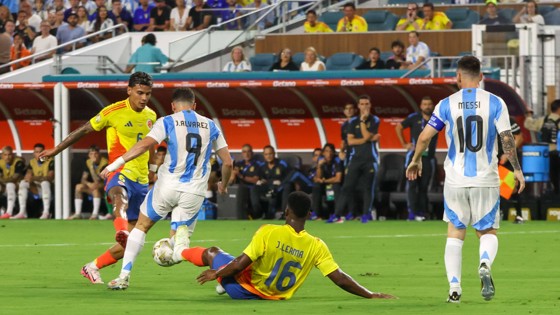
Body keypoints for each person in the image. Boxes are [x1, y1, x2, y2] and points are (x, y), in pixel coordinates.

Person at [406, 55, 525, 303]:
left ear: (458, 77)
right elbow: (507, 138)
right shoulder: (495, 102)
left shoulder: (446, 104)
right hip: (487, 178)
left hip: (455, 179)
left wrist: (416, 159)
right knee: (488, 230)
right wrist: (516, 169)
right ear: (481, 76)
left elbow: (425, 137)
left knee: (455, 231)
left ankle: (454, 289)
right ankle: (484, 263)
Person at [99, 87, 233, 290]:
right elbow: (228, 163)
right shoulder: (210, 125)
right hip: (194, 192)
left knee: (141, 226)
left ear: (173, 106)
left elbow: (144, 145)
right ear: (194, 106)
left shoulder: (167, 121)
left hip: (167, 187)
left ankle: (123, 276)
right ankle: (222, 271)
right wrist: (224, 183)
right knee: (180, 245)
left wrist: (114, 164)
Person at [39, 72, 157, 284]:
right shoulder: (113, 111)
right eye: (140, 93)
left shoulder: (151, 115)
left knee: (134, 243)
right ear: (129, 90)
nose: (144, 98)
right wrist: (56, 150)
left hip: (141, 181)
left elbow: (152, 145)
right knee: (119, 196)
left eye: (148, 94)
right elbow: (84, 130)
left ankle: (92, 267)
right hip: (118, 171)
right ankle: (120, 230)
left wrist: (154, 169)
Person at [179, 191, 396, 300]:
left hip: (243, 290)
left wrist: (217, 272)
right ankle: (221, 281)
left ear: (286, 211)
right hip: (276, 296)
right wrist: (370, 294)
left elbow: (238, 264)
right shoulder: (316, 245)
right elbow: (339, 278)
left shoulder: (269, 231)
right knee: (248, 261)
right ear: (309, 214)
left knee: (213, 252)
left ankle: (177, 252)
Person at [329, 95, 380, 224]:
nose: (364, 106)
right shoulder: (352, 122)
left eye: (366, 104)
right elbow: (350, 141)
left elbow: (367, 134)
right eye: (362, 104)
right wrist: (367, 139)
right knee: (347, 187)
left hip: (370, 159)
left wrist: (363, 122)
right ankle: (337, 214)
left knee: (368, 188)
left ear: (370, 105)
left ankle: (365, 215)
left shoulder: (374, 119)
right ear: (358, 106)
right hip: (355, 159)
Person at [395, 96, 438, 221]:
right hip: (414, 157)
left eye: (429, 104)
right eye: (424, 104)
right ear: (420, 106)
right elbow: (399, 127)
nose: (427, 106)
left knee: (424, 187)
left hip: (429, 158)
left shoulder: (436, 119)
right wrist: (404, 144)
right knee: (412, 185)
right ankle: (412, 213)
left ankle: (423, 212)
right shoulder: (414, 118)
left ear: (433, 106)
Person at [524, 99, 560, 194]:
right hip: (556, 153)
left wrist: (529, 116)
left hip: (543, 153)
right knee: (556, 176)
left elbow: (528, 124)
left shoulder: (543, 120)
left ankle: (545, 193)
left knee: (545, 175)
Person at [11, 143, 54, 219]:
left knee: (45, 183)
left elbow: (49, 177)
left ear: (44, 152)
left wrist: (33, 178)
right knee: (23, 183)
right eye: (36, 152)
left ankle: (46, 212)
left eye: (40, 152)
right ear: (33, 153)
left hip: (49, 189)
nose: (38, 154)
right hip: (36, 188)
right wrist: (29, 178)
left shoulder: (50, 160)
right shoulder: (32, 162)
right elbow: (28, 176)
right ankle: (22, 212)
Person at [68, 145, 108, 220]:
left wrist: (92, 168)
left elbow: (98, 180)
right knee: (78, 187)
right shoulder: (88, 162)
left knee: (96, 188)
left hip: (104, 187)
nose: (93, 156)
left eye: (95, 153)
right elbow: (83, 179)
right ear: (89, 155)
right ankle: (77, 213)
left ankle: (94, 214)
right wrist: (89, 184)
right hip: (93, 186)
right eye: (91, 154)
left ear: (99, 154)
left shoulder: (104, 162)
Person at [251, 145, 290, 220]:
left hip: (280, 187)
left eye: (270, 154)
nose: (268, 156)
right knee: (254, 188)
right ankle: (257, 213)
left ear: (274, 154)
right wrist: (262, 181)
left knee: (281, 188)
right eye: (266, 154)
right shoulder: (262, 166)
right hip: (267, 187)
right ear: (264, 155)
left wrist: (279, 182)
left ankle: (283, 214)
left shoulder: (282, 164)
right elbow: (261, 179)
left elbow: (288, 177)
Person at [229, 144, 263, 219]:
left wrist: (241, 176)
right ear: (242, 153)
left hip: (254, 187)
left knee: (254, 199)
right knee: (240, 189)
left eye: (248, 152)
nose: (246, 154)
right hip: (241, 188)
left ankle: (258, 216)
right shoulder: (238, 164)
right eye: (244, 152)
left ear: (252, 153)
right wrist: (232, 175)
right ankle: (240, 218)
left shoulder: (257, 164)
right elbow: (231, 181)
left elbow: (255, 180)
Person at [311, 143, 343, 221]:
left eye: (331, 151)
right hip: (324, 184)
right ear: (323, 153)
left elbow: (338, 178)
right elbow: (318, 177)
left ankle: (337, 214)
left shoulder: (337, 160)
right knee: (316, 186)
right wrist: (319, 166)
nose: (329, 153)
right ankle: (316, 214)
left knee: (335, 186)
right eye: (326, 151)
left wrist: (325, 181)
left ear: (333, 152)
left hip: (334, 184)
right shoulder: (321, 160)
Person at [0, 146, 26, 219]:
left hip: (21, 186)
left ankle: (10, 212)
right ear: (2, 156)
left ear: (13, 155)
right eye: (5, 155)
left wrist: (2, 180)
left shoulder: (18, 162)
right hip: (7, 187)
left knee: (10, 184)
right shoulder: (1, 162)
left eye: (9, 154)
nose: (7, 157)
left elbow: (15, 178)